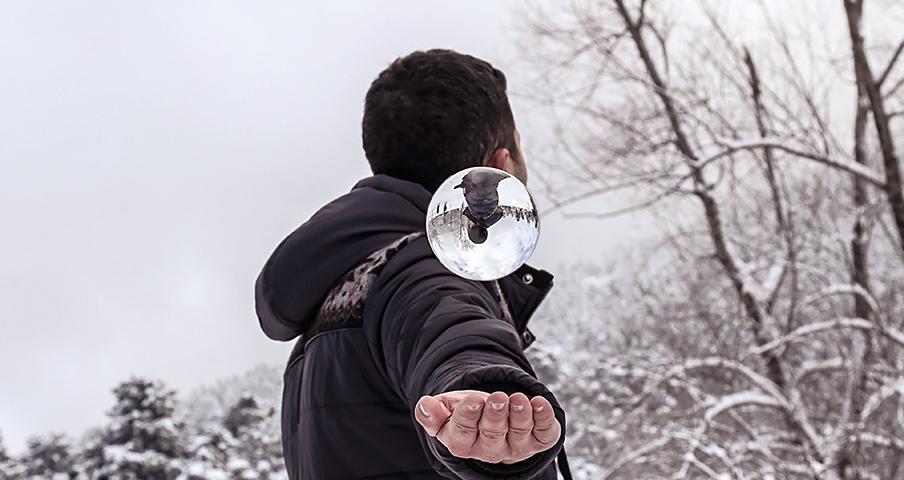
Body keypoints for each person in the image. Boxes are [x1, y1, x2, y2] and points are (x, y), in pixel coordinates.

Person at [255, 49, 569, 480]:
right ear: (497, 170)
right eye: (519, 149)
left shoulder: (340, 294)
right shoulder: (427, 263)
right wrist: (479, 389)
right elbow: (446, 323)